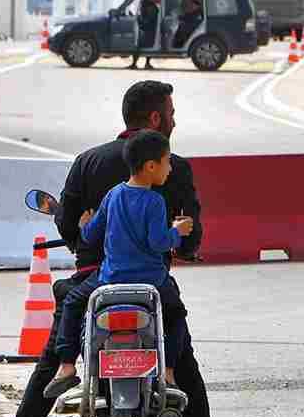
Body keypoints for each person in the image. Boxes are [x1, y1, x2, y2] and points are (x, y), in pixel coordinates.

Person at [0, 80, 227, 417]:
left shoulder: (88, 162)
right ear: (155, 118)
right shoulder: (171, 168)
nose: (175, 120)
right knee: (183, 355)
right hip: (151, 285)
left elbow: (73, 226)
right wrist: (183, 241)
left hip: (96, 280)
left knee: (52, 357)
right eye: (171, 113)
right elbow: (189, 237)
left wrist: (85, 236)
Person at [43, 130, 194, 400]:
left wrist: (83, 225)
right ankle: (169, 373)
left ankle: (66, 367)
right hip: (151, 281)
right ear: (151, 166)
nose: (170, 168)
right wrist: (177, 231)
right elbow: (158, 243)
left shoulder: (113, 196)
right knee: (176, 315)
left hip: (109, 279)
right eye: (167, 161)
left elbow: (90, 236)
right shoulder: (155, 201)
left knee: (74, 303)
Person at [129, 0, 160, 70]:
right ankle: (139, 63)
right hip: (147, 30)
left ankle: (139, 63)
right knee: (139, 47)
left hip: (148, 30)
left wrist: (139, 21)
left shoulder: (151, 7)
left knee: (138, 47)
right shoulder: (146, 6)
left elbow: (148, 20)